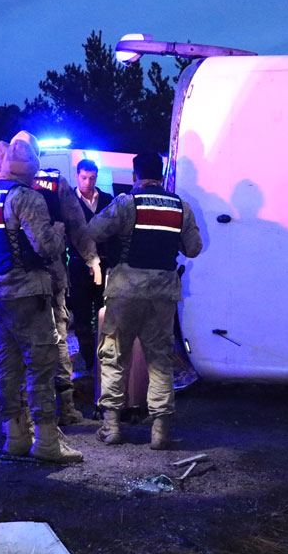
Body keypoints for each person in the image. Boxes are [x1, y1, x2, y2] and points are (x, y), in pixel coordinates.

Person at [0, 136, 81, 462]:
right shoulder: (25, 197)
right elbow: (44, 246)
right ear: (29, 172)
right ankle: (47, 443)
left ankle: (14, 437)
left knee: (6, 366)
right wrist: (58, 233)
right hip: (29, 293)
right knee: (41, 367)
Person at [87, 152, 203, 449]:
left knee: (114, 354)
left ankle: (112, 426)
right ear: (162, 175)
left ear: (135, 175)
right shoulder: (180, 207)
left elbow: (94, 231)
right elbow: (193, 249)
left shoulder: (126, 203)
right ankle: (160, 431)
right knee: (160, 358)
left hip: (125, 289)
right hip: (163, 292)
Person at [31, 163, 100, 426]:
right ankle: (63, 408)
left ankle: (22, 418)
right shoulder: (53, 184)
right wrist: (92, 259)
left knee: (16, 349)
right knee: (56, 339)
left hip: (6, 283)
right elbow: (76, 226)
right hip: (49, 276)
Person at [68, 158, 112, 373]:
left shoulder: (107, 200)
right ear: (77, 176)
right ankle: (89, 361)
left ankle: (105, 358)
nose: (88, 182)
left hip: (104, 265)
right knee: (82, 317)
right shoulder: (68, 202)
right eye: (84, 178)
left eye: (92, 178)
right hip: (78, 267)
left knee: (106, 313)